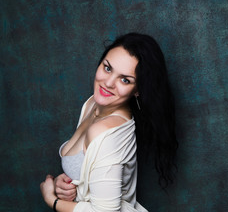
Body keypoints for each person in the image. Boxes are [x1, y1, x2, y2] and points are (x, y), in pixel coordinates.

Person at [40, 33, 178, 212]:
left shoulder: (106, 132)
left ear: (138, 90)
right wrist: (66, 183)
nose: (108, 83)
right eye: (107, 68)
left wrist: (52, 200)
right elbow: (89, 168)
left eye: (125, 80)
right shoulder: (93, 105)